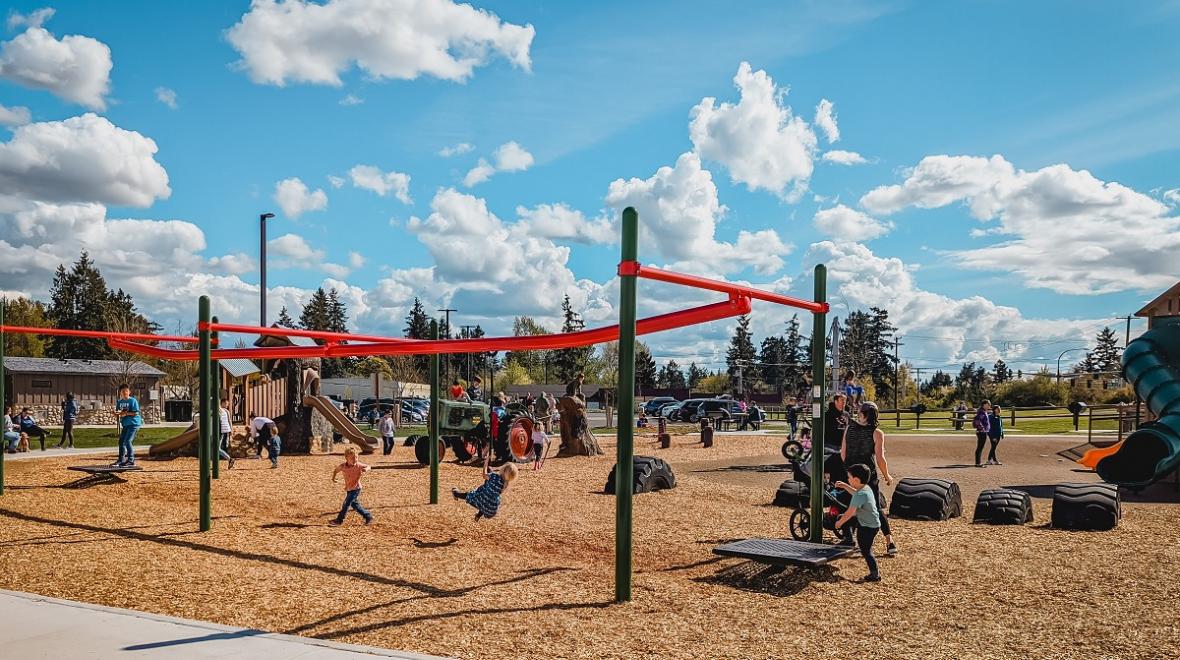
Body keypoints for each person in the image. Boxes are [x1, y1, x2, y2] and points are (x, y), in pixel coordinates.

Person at [840, 401, 897, 556]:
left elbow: (843, 453)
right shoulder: (877, 433)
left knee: (851, 504)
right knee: (876, 508)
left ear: (862, 414)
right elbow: (880, 459)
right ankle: (889, 542)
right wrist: (887, 476)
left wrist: (848, 472)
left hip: (851, 474)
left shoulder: (849, 428)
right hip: (868, 475)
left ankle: (849, 537)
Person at [834, 463, 883, 582]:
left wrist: (839, 523)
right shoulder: (865, 488)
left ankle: (874, 574)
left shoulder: (860, 494)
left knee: (866, 550)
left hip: (868, 526)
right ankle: (849, 539)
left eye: (849, 477)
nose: (848, 479)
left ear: (856, 479)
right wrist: (845, 486)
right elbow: (855, 493)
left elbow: (850, 513)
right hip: (871, 522)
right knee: (842, 517)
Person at [452, 451, 517, 520]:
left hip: (480, 500)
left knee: (471, 495)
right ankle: (478, 516)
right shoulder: (505, 484)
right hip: (491, 509)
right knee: (489, 496)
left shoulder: (494, 476)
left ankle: (456, 493)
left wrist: (485, 463)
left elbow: (484, 475)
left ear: (503, 470)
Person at [330, 446, 373, 526]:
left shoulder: (358, 465)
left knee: (346, 504)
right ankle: (368, 516)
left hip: (356, 488)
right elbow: (336, 471)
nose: (355, 459)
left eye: (356, 457)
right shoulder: (343, 466)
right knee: (355, 505)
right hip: (349, 489)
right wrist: (333, 478)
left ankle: (339, 520)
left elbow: (369, 466)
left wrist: (366, 469)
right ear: (346, 458)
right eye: (352, 458)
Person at [114, 385, 141, 467]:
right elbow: (120, 414)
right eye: (123, 391)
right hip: (125, 424)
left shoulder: (133, 401)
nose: (125, 393)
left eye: (126, 391)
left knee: (128, 441)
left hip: (133, 424)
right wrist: (116, 414)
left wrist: (125, 413)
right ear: (120, 393)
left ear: (129, 392)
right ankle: (121, 460)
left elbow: (135, 412)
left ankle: (131, 460)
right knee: (121, 442)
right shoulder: (119, 402)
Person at [973, 401, 992, 468]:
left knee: (980, 447)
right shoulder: (981, 412)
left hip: (983, 432)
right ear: (984, 405)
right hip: (982, 432)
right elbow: (978, 421)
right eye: (988, 404)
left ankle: (978, 462)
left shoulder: (984, 411)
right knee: (980, 447)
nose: (989, 406)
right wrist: (982, 429)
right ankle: (978, 463)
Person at [218, 400, 235, 469]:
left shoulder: (222, 411)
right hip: (224, 430)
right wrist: (231, 429)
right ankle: (216, 465)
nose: (227, 405)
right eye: (226, 404)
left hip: (221, 431)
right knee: (217, 447)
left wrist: (231, 429)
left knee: (217, 448)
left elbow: (229, 420)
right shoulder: (224, 411)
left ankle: (230, 459)